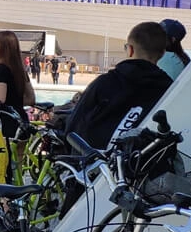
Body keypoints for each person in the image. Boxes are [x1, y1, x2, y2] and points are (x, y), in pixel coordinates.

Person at [65, 21, 172, 150]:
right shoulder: (169, 89)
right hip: (143, 159)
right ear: (162, 53)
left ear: (130, 50)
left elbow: (74, 126)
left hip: (95, 158)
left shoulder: (105, 82)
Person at [0, 30, 29, 139]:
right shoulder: (20, 70)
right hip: (21, 120)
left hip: (5, 124)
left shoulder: (1, 70)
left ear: (1, 47)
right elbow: (30, 98)